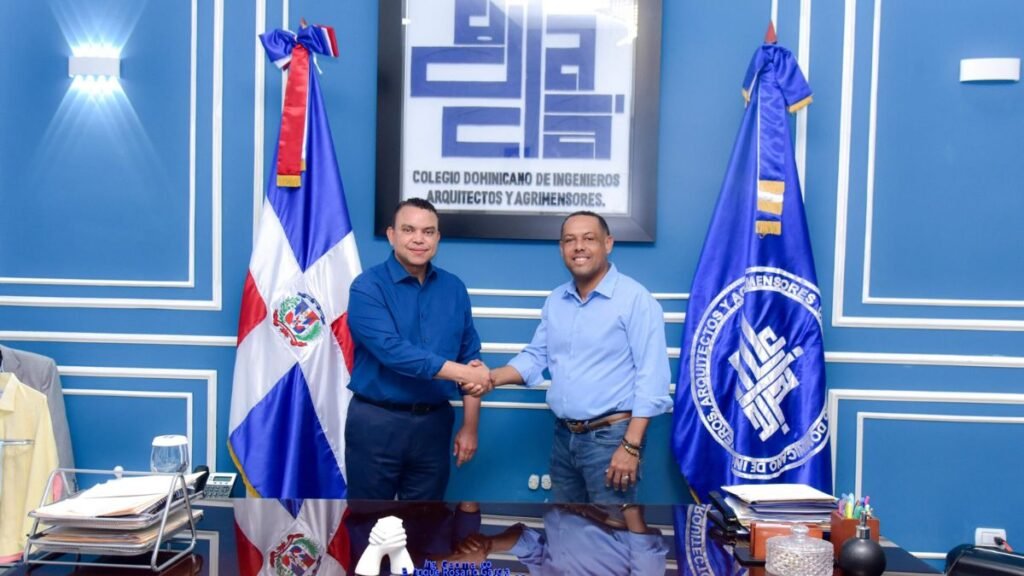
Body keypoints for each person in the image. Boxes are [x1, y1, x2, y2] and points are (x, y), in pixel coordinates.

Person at [488, 211, 672, 504]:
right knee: (567, 526)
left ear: (608, 243)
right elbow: (536, 356)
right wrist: (490, 378)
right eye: (570, 240)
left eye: (589, 239)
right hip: (564, 438)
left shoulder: (636, 300)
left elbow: (653, 378)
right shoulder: (556, 300)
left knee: (612, 529)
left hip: (612, 440)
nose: (579, 247)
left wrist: (631, 446)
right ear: (561, 248)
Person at [345, 198, 491, 500]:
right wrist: (464, 373)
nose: (418, 239)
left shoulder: (454, 288)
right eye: (408, 230)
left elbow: (470, 356)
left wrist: (470, 426)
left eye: (428, 232)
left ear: (437, 238)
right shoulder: (367, 287)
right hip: (377, 424)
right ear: (392, 235)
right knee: (369, 521)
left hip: (434, 425)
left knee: (426, 520)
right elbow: (393, 351)